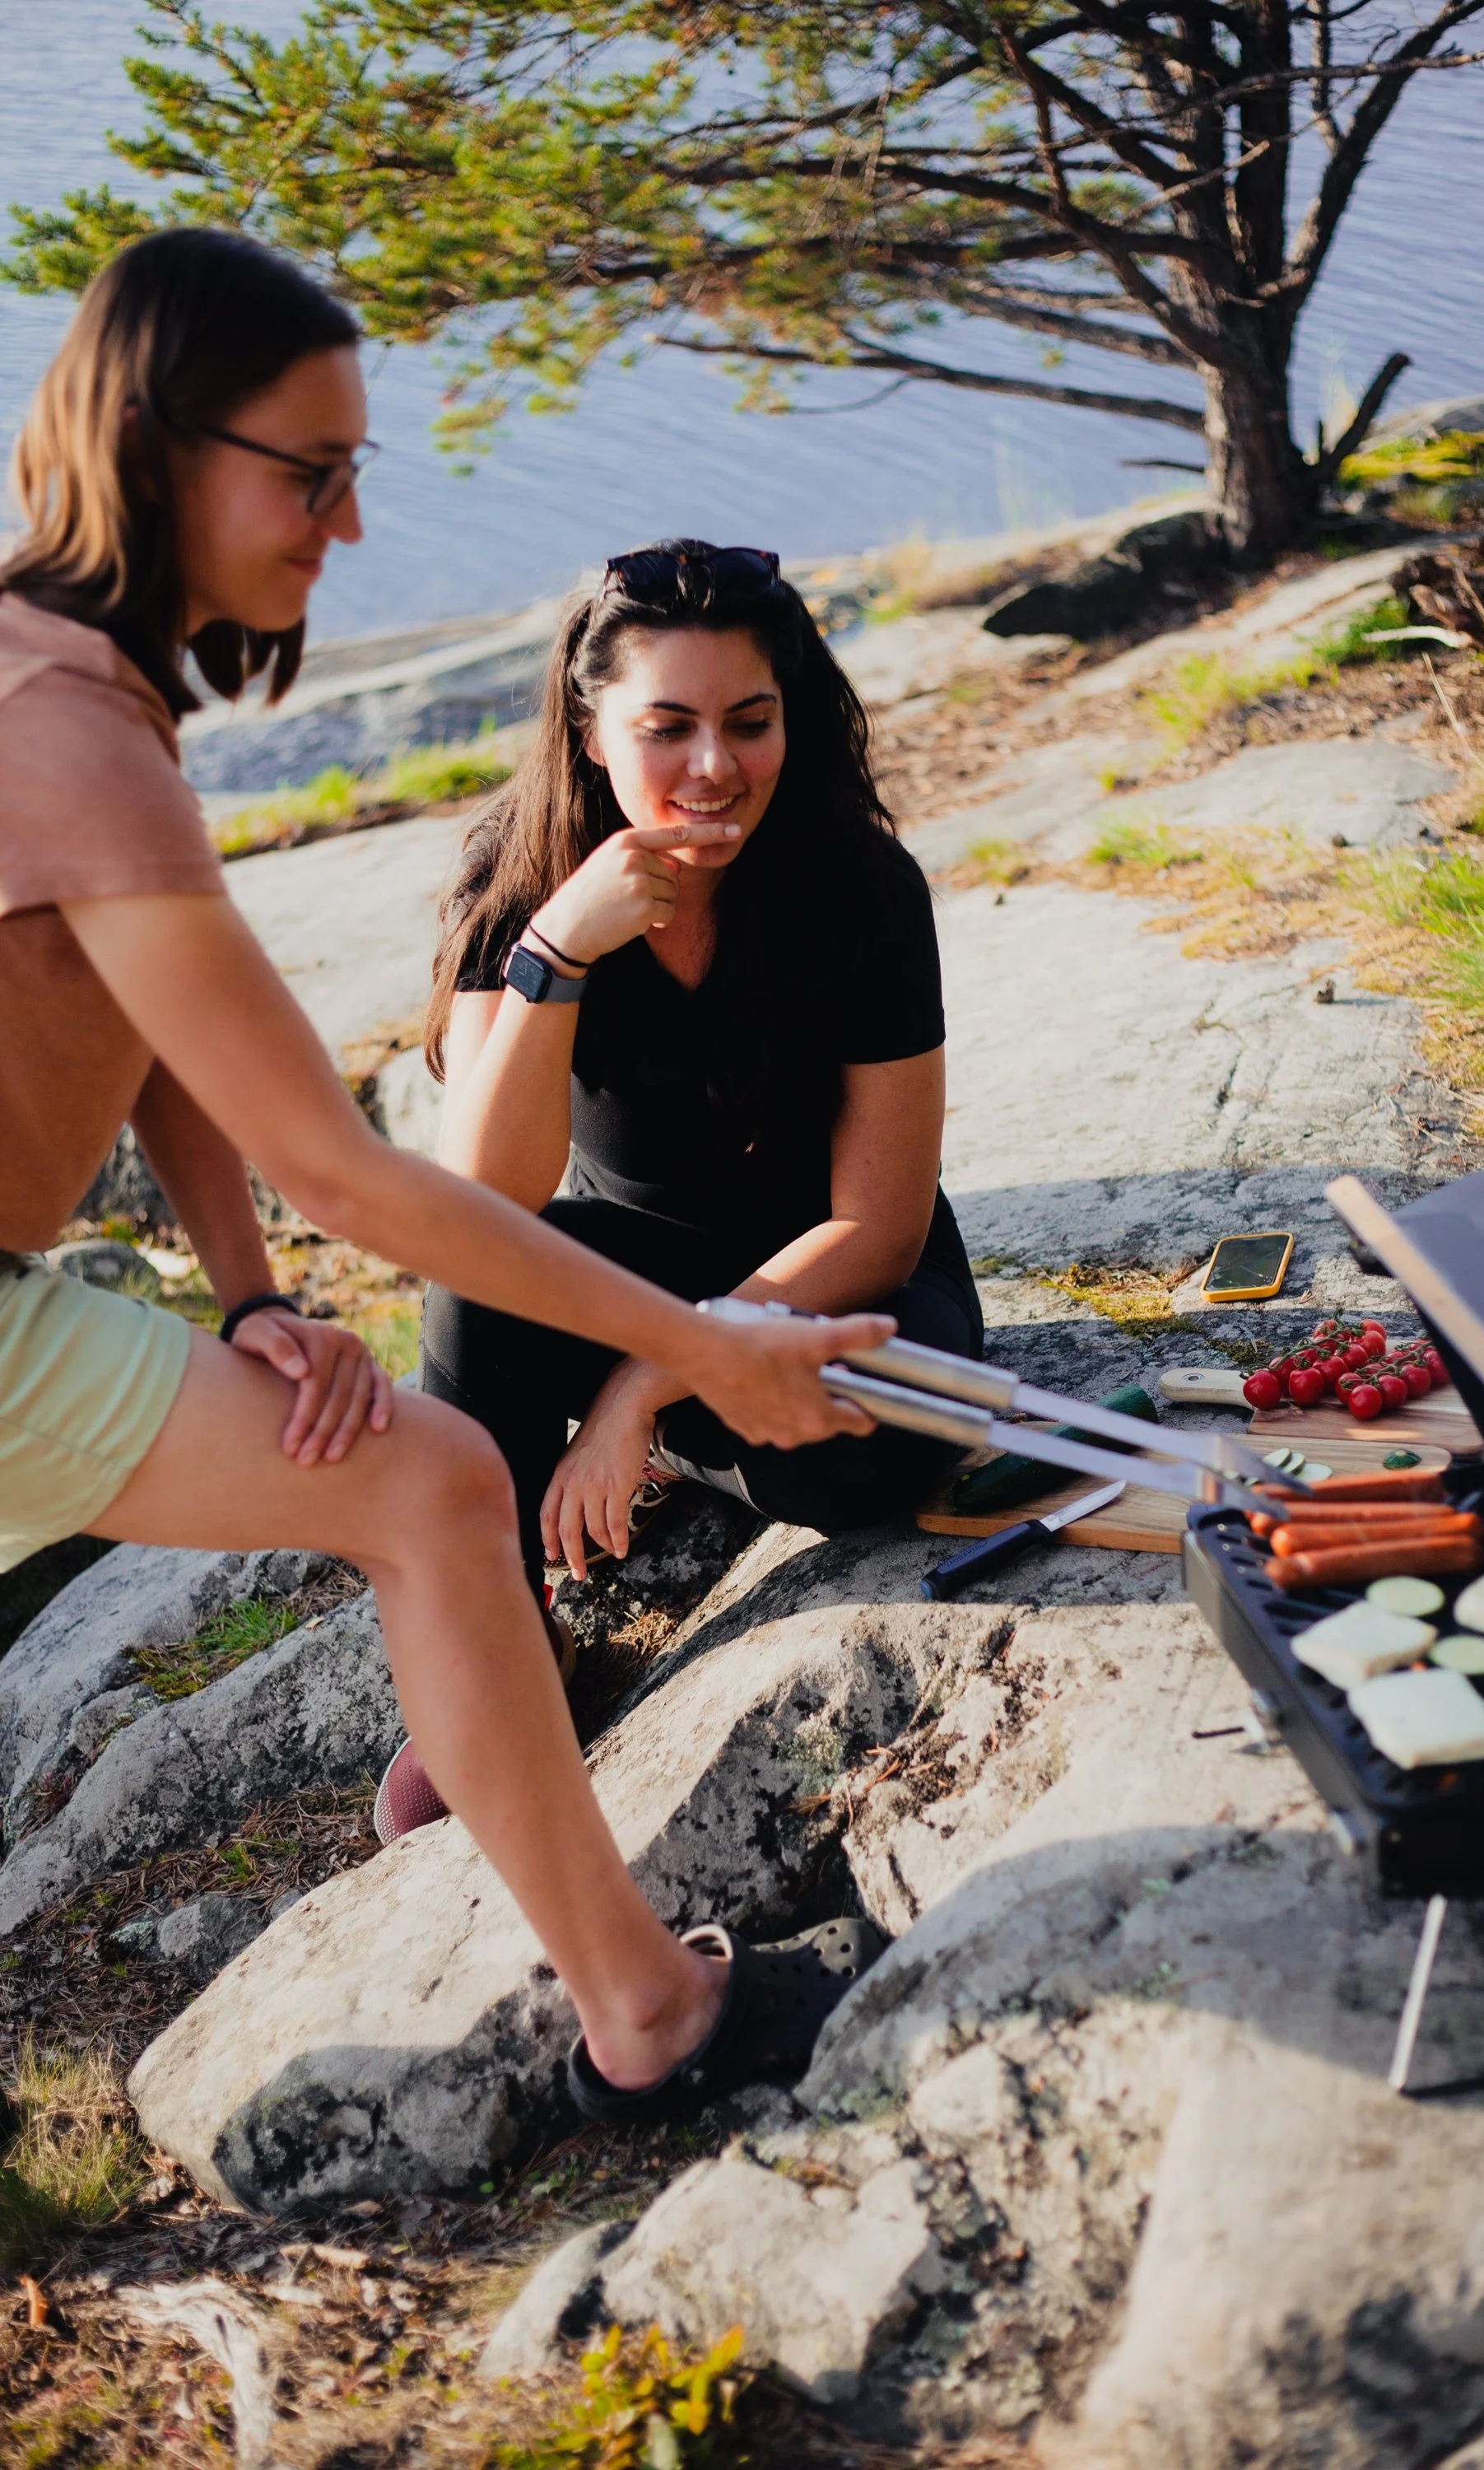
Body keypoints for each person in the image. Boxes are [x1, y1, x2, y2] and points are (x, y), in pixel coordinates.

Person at [0, 227, 892, 2127]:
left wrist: (248, 1294)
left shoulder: (59, 677)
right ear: (158, 446)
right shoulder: (63, 727)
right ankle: (649, 2013)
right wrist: (700, 1349)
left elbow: (145, 1028)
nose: (344, 524)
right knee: (436, 1480)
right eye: (309, 472)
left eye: (359, 472)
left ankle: (637, 2000)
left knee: (426, 1477)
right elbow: (350, 1170)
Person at [418, 540, 984, 1595]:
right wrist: (557, 953)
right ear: (590, 731)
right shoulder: (518, 880)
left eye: (749, 723)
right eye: (667, 728)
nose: (714, 766)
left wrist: (643, 1384)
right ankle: (504, 1635)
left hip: (832, 1290)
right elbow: (484, 1205)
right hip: (627, 1277)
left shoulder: (860, 889)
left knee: (861, 1452)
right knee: (475, 1285)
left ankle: (662, 1432)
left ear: (789, 720)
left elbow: (877, 1230)